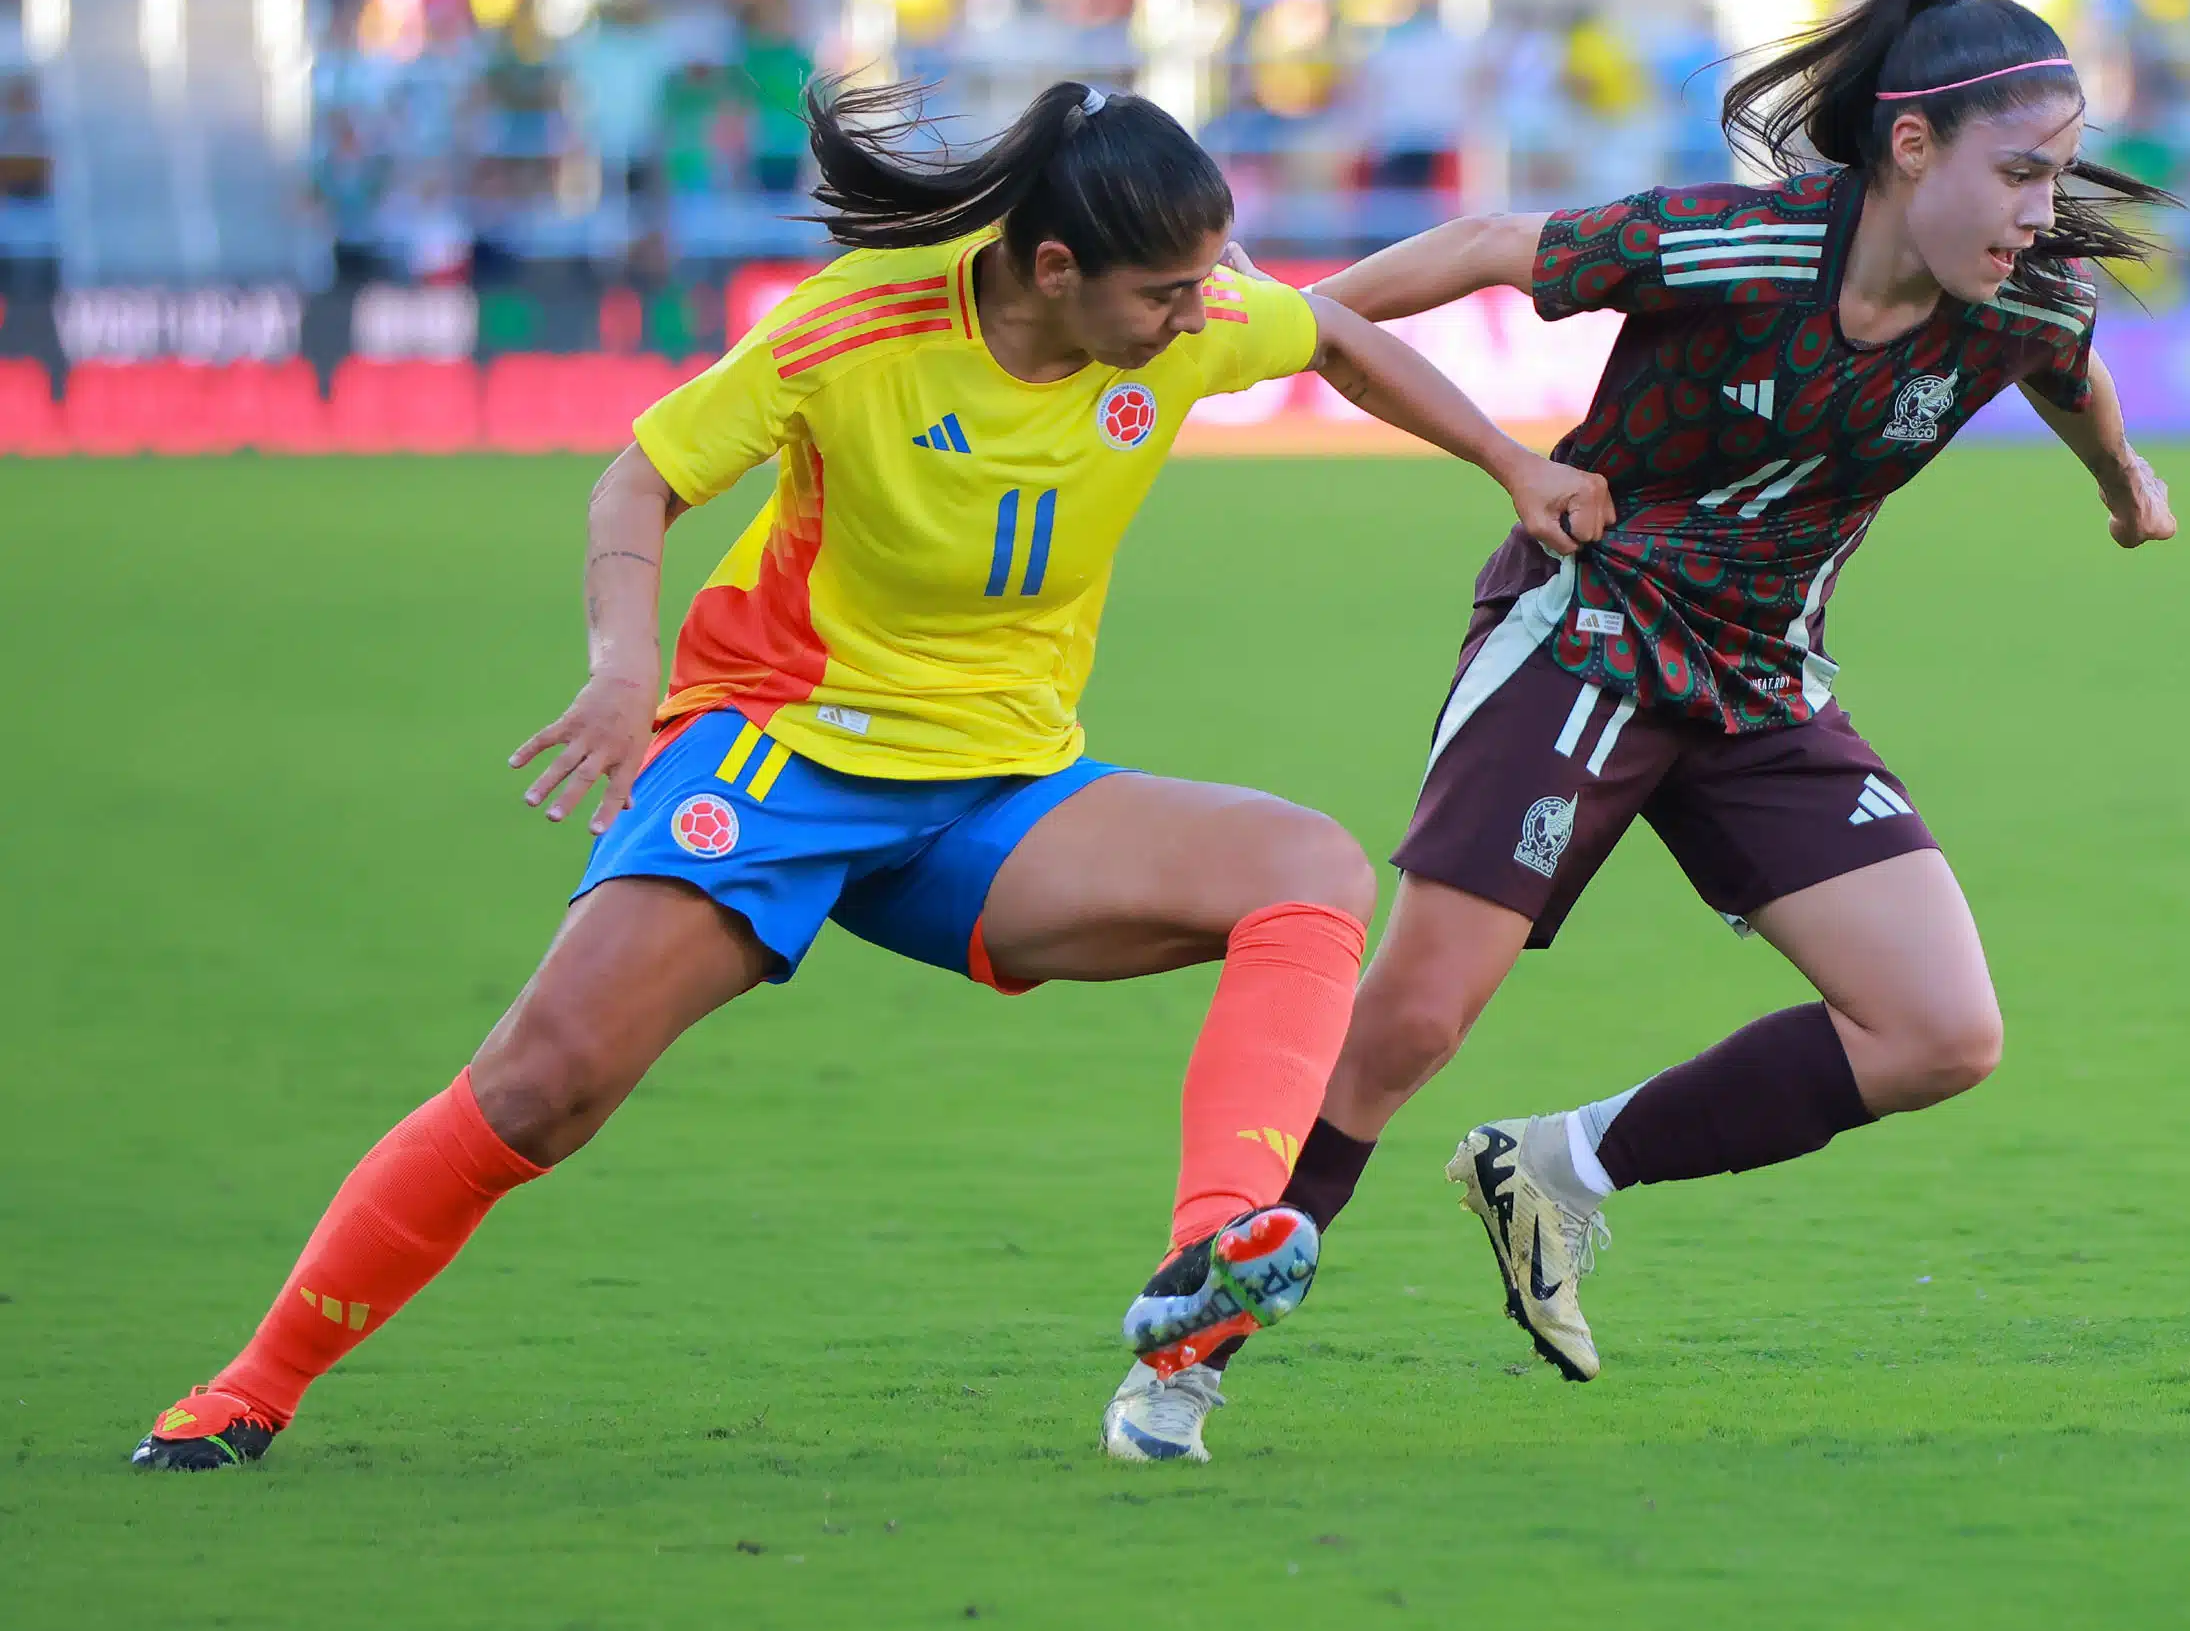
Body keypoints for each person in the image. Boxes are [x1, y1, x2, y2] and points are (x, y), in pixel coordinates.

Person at [131, 79, 1616, 1473]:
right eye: (1166, 292)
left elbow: (1336, 335)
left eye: (1205, 283)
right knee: (544, 1086)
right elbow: (639, 478)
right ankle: (247, 1390)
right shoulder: (855, 330)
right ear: (1050, 268)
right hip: (779, 761)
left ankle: (1211, 1256)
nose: (1199, 316)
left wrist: (1509, 461)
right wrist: (621, 667)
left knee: (1309, 867)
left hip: (998, 793)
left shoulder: (1183, 316)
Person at [1183, 0, 2178, 1409]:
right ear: (1911, 149)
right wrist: (1289, 325)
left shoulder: (2024, 293)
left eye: (2057, 176)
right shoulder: (1737, 248)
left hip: (1762, 680)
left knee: (1940, 1031)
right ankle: (1191, 1344)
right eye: (2018, 172)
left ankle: (1555, 1167)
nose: (2042, 208)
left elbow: (2069, 367)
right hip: (1589, 628)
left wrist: (2121, 478)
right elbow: (1486, 241)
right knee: (1410, 1021)